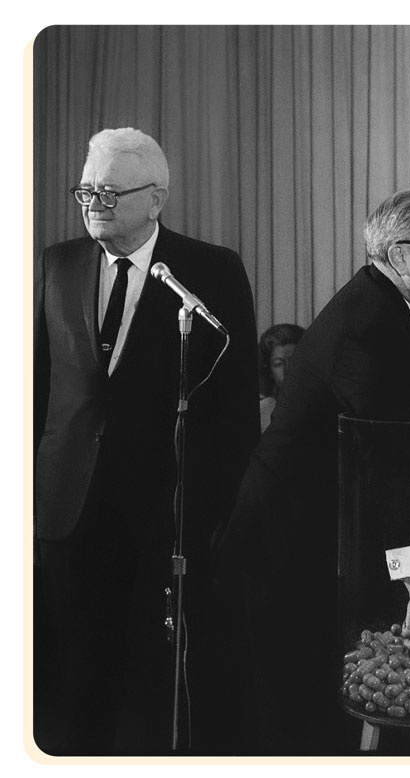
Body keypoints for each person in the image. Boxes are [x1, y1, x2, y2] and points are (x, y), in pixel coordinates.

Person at [218, 188, 410, 754]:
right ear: (401, 255)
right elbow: (386, 473)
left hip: (329, 537)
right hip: (286, 546)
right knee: (303, 725)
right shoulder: (369, 325)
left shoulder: (406, 303)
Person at [33, 128, 259, 754]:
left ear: (155, 199)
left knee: (154, 681)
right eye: (86, 188)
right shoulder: (59, 263)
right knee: (73, 678)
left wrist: (214, 513)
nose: (92, 202)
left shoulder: (211, 270)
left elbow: (236, 407)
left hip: (165, 511)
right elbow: (38, 388)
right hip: (67, 507)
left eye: (109, 190)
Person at [257, 322, 305, 431]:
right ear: (269, 371)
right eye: (279, 364)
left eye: (293, 361)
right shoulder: (262, 411)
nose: (287, 370)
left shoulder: (323, 404)